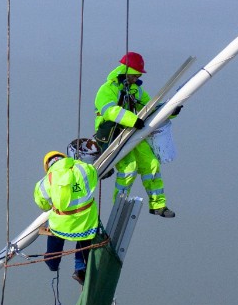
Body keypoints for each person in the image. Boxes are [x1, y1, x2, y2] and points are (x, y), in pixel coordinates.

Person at [92, 51, 179, 217]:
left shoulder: (135, 90)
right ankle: (119, 205)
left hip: (131, 132)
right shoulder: (107, 89)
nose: (136, 78)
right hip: (114, 135)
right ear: (125, 71)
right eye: (134, 75)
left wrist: (170, 110)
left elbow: (149, 107)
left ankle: (158, 205)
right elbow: (109, 110)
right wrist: (132, 119)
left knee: (151, 163)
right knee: (129, 168)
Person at [33, 139, 103, 284]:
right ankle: (80, 269)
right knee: (84, 240)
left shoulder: (45, 182)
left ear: (48, 166)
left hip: (61, 222)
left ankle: (52, 262)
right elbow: (94, 177)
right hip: (85, 219)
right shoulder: (83, 168)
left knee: (55, 235)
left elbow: (43, 204)